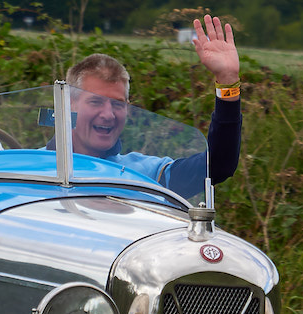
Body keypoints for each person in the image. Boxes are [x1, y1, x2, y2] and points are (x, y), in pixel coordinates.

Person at [67, 14, 243, 198]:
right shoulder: (36, 166)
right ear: (70, 104)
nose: (108, 114)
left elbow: (217, 165)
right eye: (96, 101)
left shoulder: (143, 174)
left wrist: (227, 80)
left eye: (117, 104)